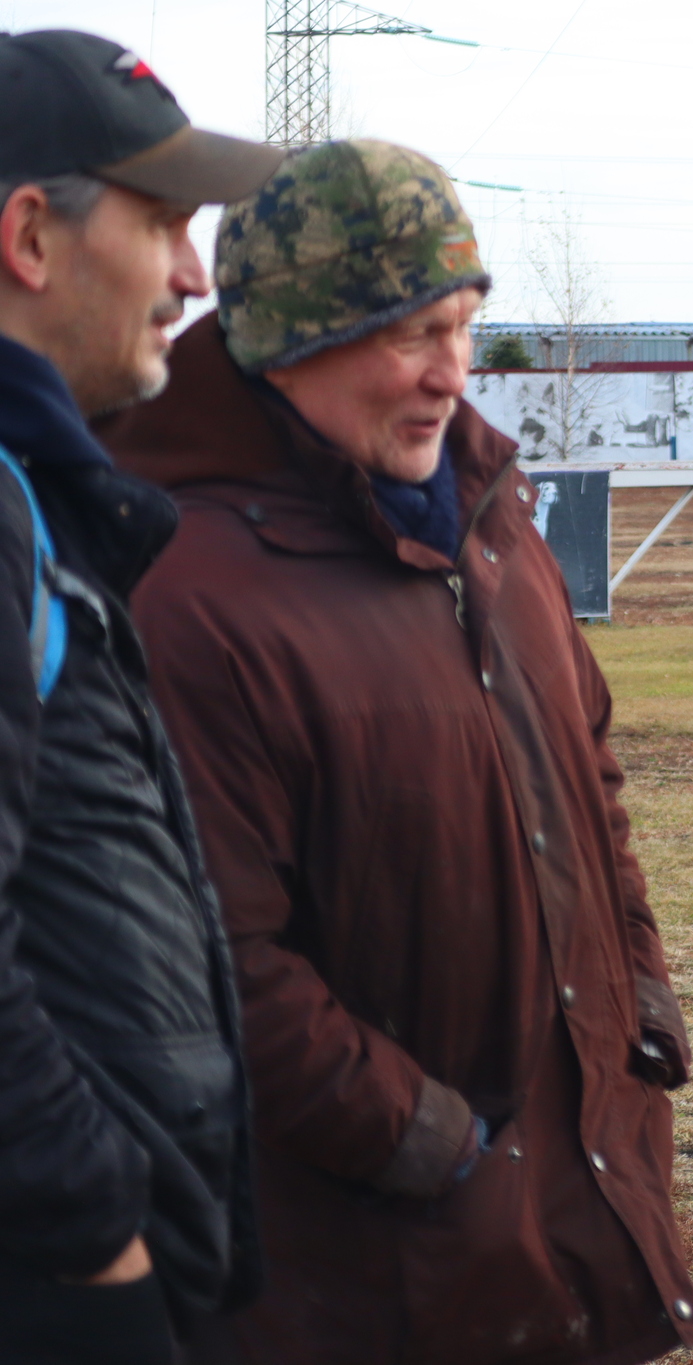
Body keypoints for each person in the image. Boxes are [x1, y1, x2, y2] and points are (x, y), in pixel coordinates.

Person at [97, 139, 693, 1364]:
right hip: (369, 1264)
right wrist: (423, 1140)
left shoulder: (493, 525)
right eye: (406, 333)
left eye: (465, 324)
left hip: (574, 1203)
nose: (450, 374)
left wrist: (635, 991)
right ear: (285, 341)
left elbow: (587, 779)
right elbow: (213, 960)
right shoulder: (187, 592)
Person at [0, 30, 279, 1365]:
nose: (194, 277)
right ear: (30, 237)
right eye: (164, 221)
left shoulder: (41, 498)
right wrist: (92, 1230)